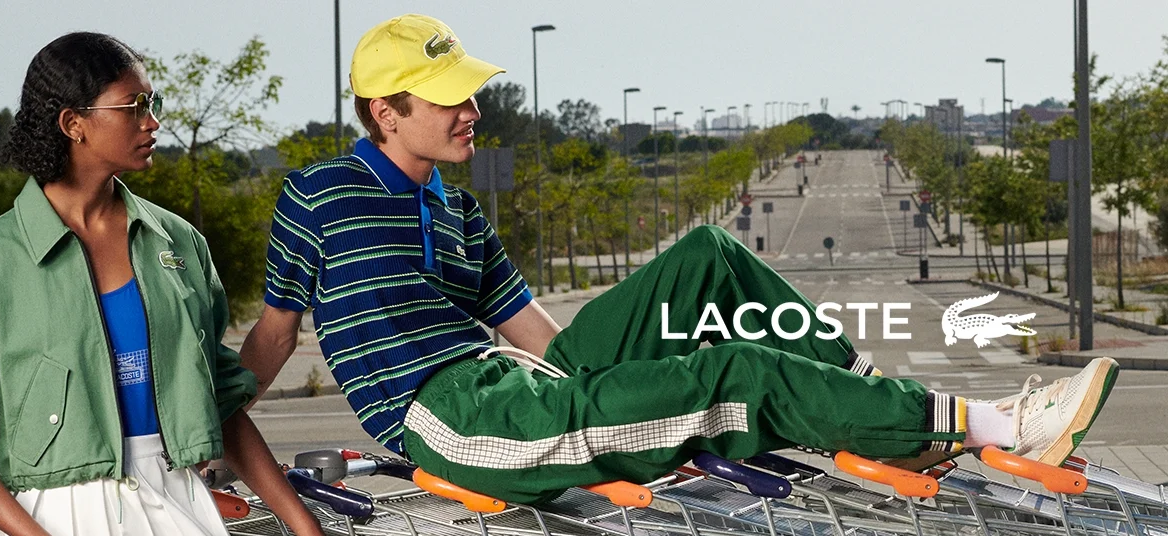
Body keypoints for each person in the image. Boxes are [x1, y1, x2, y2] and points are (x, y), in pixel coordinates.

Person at [240, 14, 1120, 505]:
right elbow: (276, 335)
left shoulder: (457, 207)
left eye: (469, 92)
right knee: (736, 372)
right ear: (383, 111)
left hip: (525, 382)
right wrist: (211, 441)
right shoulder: (319, 198)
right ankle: (998, 424)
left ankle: (882, 405)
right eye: (445, 99)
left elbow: (537, 336)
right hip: (456, 418)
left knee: (706, 255)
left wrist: (621, 391)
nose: (470, 109)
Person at [0, 33, 360, 536]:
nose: (152, 120)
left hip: (177, 501)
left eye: (150, 102)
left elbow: (220, 406)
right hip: (53, 533)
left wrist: (307, 532)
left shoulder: (177, 244)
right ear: (73, 123)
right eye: (133, 106)